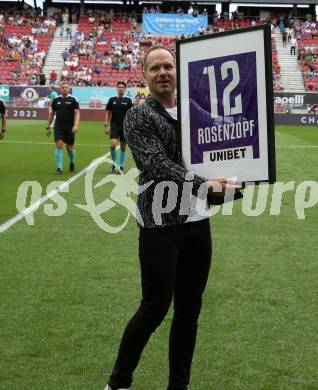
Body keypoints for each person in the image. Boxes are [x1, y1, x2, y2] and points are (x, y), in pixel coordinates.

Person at [104, 46, 241, 390]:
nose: (163, 72)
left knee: (189, 312)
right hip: (160, 225)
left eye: (168, 66)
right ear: (145, 76)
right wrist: (204, 183)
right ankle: (119, 382)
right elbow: (156, 165)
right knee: (154, 308)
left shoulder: (197, 111)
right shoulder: (138, 115)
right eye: (155, 68)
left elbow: (219, 147)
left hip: (198, 223)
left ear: (177, 72)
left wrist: (239, 176)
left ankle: (178, 386)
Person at [45, 81, 80, 174]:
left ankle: (72, 162)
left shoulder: (73, 99)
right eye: (63, 87)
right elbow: (52, 114)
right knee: (59, 145)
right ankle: (59, 168)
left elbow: (77, 114)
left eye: (66, 87)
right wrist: (48, 127)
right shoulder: (56, 100)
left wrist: (76, 126)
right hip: (58, 127)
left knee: (69, 148)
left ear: (69, 89)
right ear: (60, 89)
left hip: (70, 128)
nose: (64, 89)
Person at [104, 81, 133, 173]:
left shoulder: (128, 100)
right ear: (117, 88)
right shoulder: (112, 100)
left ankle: (121, 166)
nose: (121, 88)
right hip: (114, 126)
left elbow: (131, 114)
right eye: (119, 87)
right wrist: (106, 125)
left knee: (123, 148)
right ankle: (114, 165)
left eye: (122, 87)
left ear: (125, 89)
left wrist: (131, 126)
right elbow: (108, 112)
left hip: (125, 127)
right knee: (113, 145)